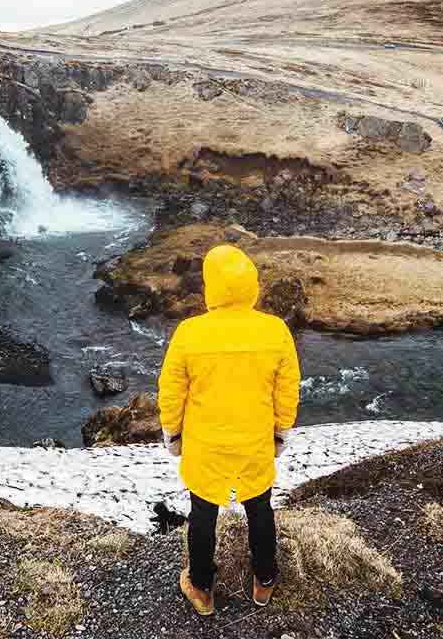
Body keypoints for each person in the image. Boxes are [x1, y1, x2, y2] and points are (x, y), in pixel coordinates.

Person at [158, 243, 301, 617]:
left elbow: (172, 390)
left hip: (206, 444)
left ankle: (202, 588)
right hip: (255, 441)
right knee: (259, 506)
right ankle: (264, 580)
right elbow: (287, 388)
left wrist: (173, 434)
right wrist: (282, 430)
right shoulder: (275, 330)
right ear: (251, 285)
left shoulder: (190, 332)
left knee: (203, 512)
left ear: (211, 286)